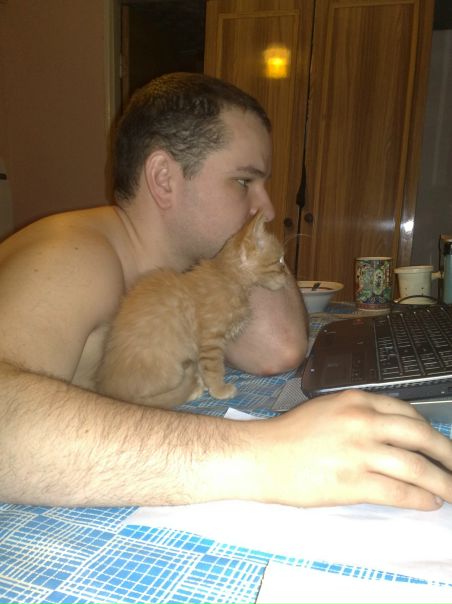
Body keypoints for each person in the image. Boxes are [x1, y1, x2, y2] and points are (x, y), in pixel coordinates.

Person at [0, 73, 451, 510]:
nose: (268, 208)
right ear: (164, 178)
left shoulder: (190, 267)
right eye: (243, 181)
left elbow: (277, 347)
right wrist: (266, 456)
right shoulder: (70, 255)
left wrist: (247, 242)